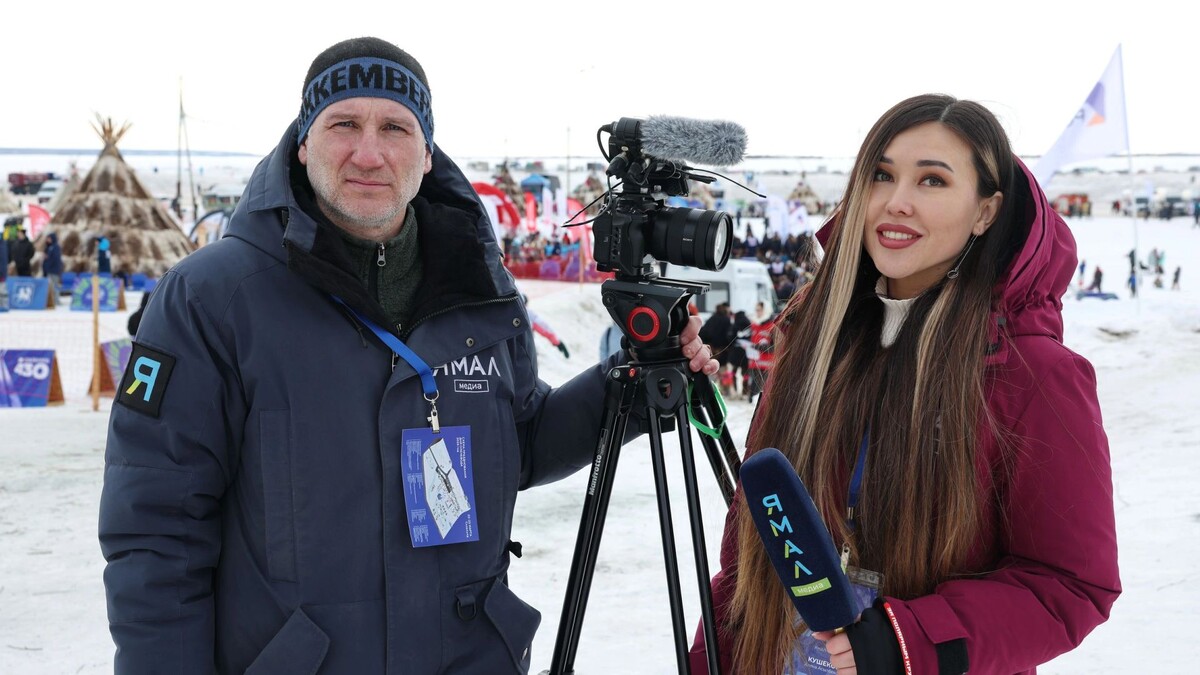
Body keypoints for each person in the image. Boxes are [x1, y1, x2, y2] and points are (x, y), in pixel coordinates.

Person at [98, 37, 718, 675]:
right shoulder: (212, 298)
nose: (369, 153)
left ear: (425, 155)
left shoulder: (479, 286)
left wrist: (630, 385)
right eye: (344, 124)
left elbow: (518, 441)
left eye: (395, 128)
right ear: (304, 144)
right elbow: (157, 531)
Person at [690, 94, 1119, 674]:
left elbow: (1070, 584)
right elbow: (750, 551)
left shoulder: (1033, 373)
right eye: (882, 175)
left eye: (932, 180)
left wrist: (911, 641)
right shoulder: (812, 342)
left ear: (986, 211)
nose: (897, 202)